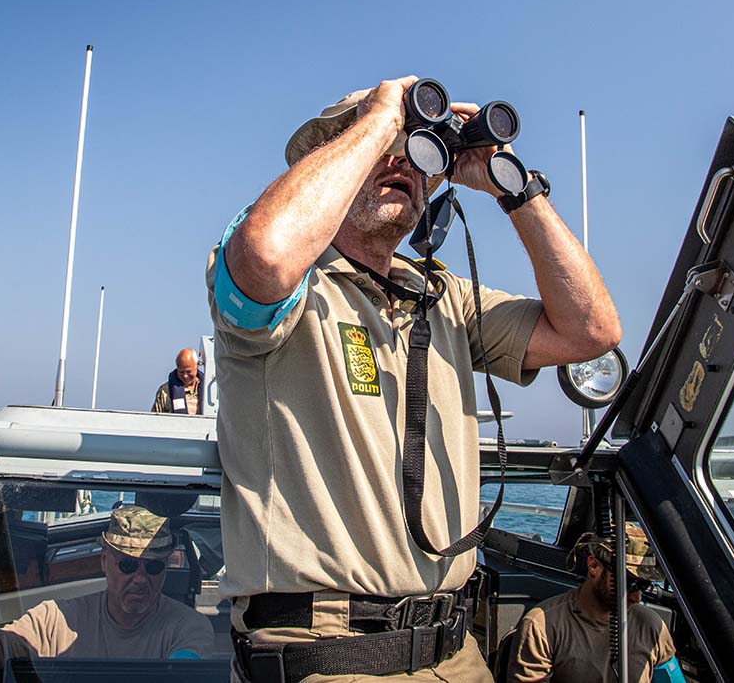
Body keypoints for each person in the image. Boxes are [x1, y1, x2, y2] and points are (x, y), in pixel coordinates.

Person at [206, 76, 621, 681]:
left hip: (453, 648)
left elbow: (592, 330)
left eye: (416, 151)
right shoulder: (292, 287)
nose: (400, 160)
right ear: (335, 162)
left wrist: (513, 186)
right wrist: (378, 121)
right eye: (382, 150)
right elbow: (266, 258)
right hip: (325, 649)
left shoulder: (442, 298)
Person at [0, 506, 214, 677]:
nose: (140, 578)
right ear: (104, 561)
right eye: (127, 564)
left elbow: (184, 670)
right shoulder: (55, 619)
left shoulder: (189, 626)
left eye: (153, 566)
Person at [506, 525, 684, 683]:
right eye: (629, 584)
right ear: (594, 566)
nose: (637, 597)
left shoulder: (651, 626)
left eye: (643, 586)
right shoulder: (543, 626)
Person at [152, 348, 205, 414]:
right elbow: (155, 418)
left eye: (189, 371)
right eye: (181, 372)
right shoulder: (165, 391)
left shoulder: (210, 390)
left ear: (197, 365)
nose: (185, 376)